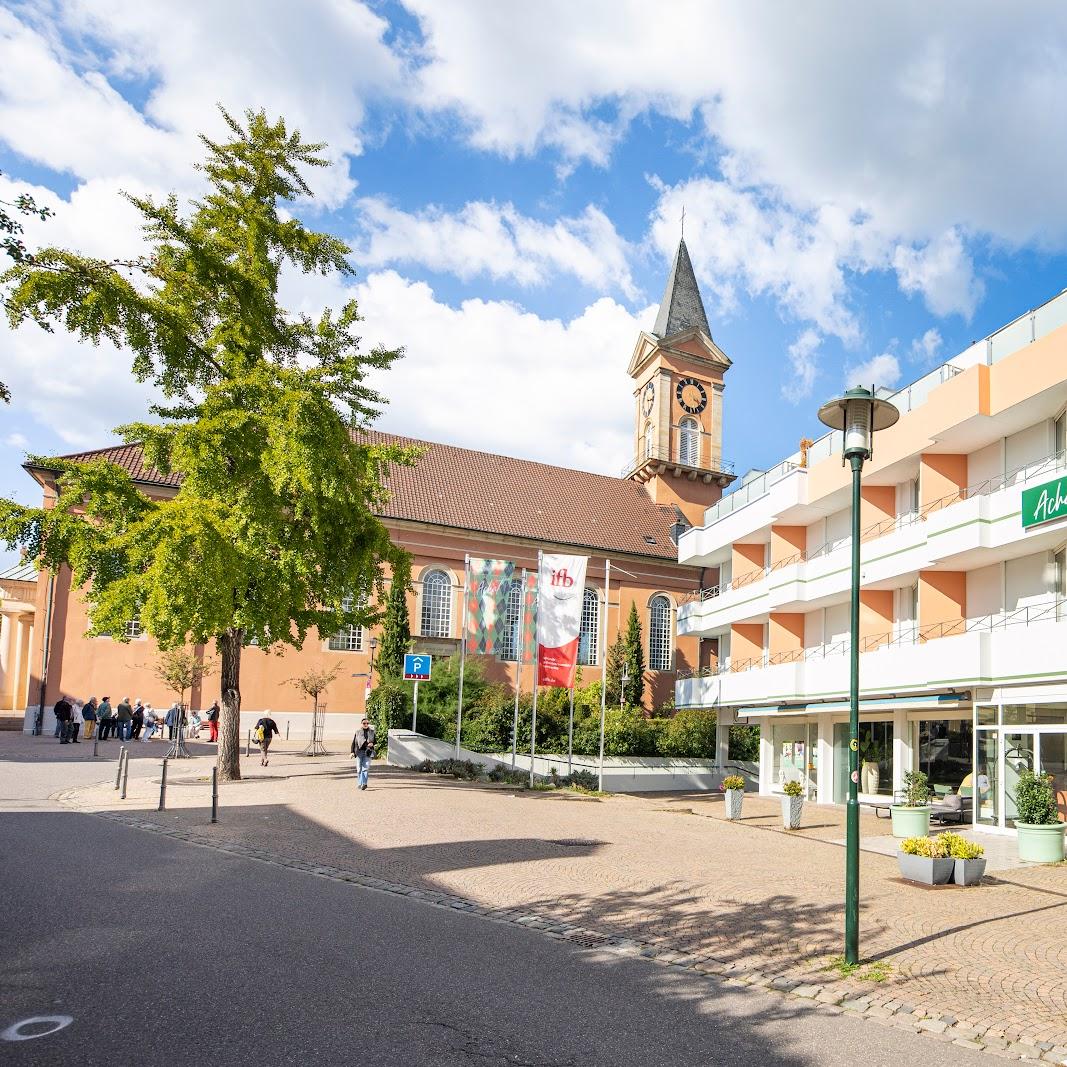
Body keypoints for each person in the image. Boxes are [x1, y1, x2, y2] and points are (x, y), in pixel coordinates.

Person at [350, 717, 376, 791]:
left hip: (368, 752)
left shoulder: (372, 732)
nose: (366, 724)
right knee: (359, 769)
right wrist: (352, 752)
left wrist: (372, 744)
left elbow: (375, 741)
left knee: (365, 768)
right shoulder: (358, 732)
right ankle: (359, 783)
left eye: (367, 723)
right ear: (361, 724)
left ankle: (364, 784)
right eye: (364, 723)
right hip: (359, 752)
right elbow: (354, 743)